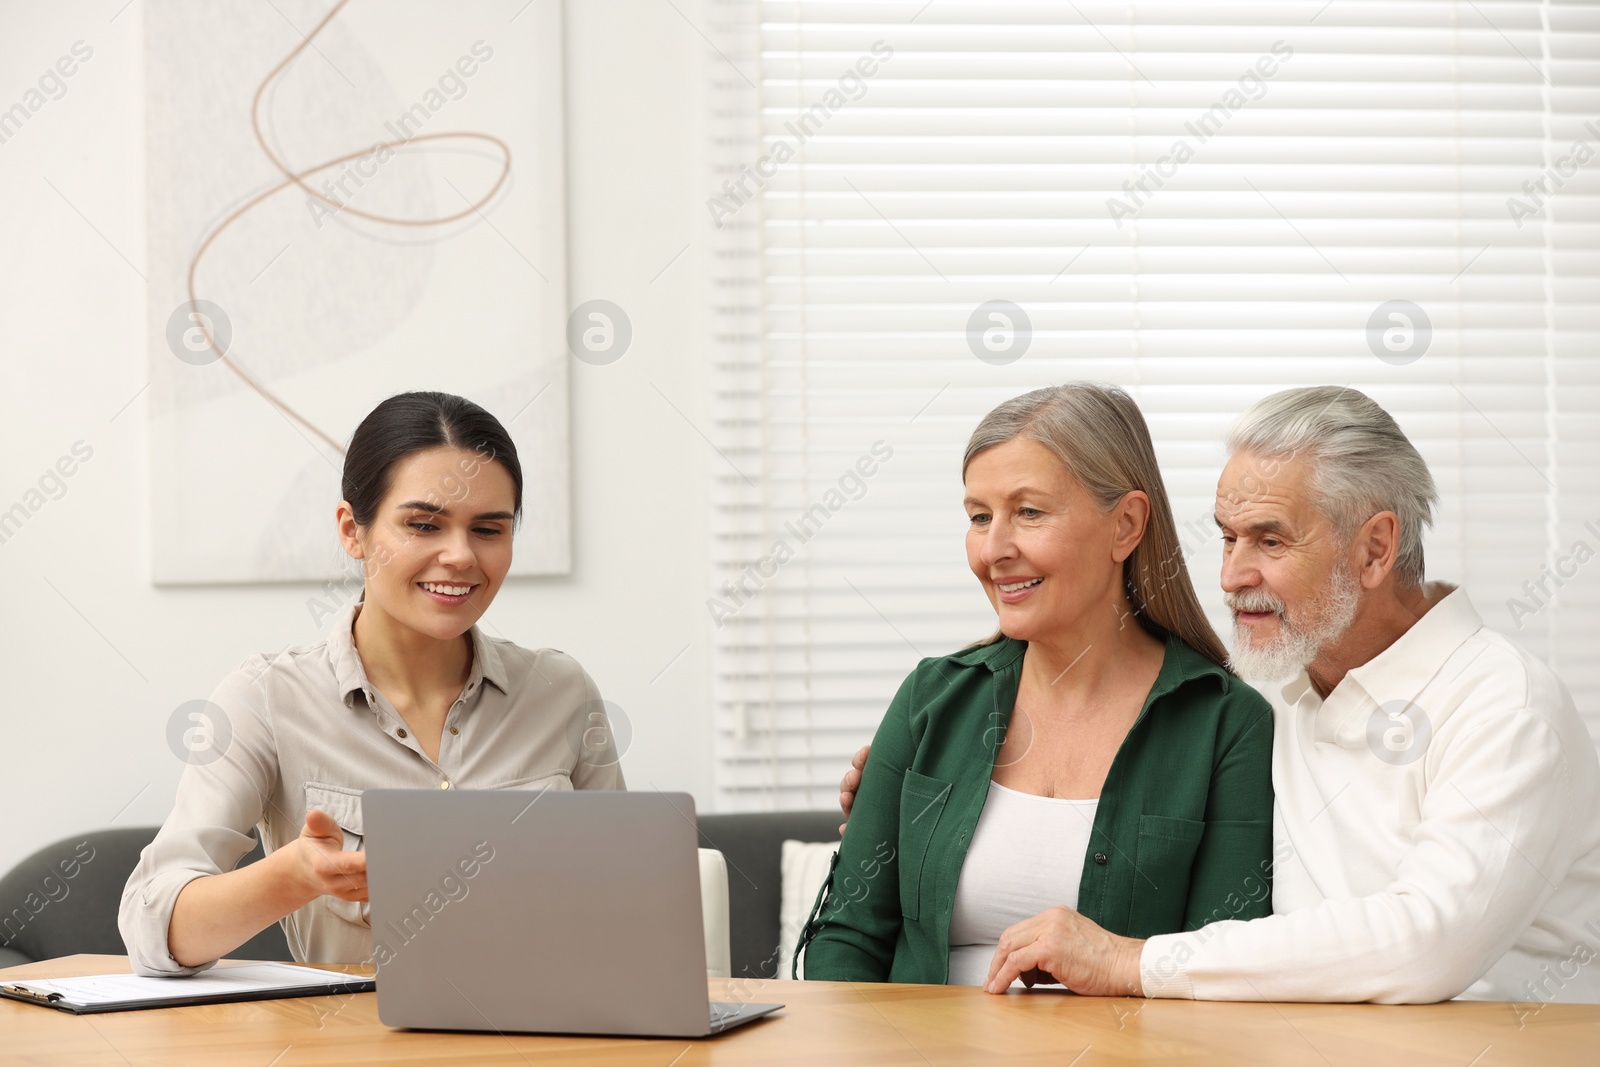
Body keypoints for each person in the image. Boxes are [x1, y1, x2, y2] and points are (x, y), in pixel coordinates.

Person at [840, 386, 1600, 1004]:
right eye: (1227, 536)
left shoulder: (1507, 704)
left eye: (1269, 539)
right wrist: (913, 800)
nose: (1232, 573)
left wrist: (1133, 962)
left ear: (1374, 549)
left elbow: (1428, 943)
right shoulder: (1291, 703)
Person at [119, 391, 625, 976]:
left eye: (488, 529)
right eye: (423, 525)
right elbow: (150, 929)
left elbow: (631, 896)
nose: (460, 556)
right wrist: (293, 876)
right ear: (352, 532)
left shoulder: (561, 690)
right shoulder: (266, 698)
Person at [797, 383, 1275, 986]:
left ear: (1125, 525)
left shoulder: (1227, 725)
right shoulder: (932, 699)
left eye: (1029, 512)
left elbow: (1223, 967)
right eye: (978, 516)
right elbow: (847, 936)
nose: (994, 550)